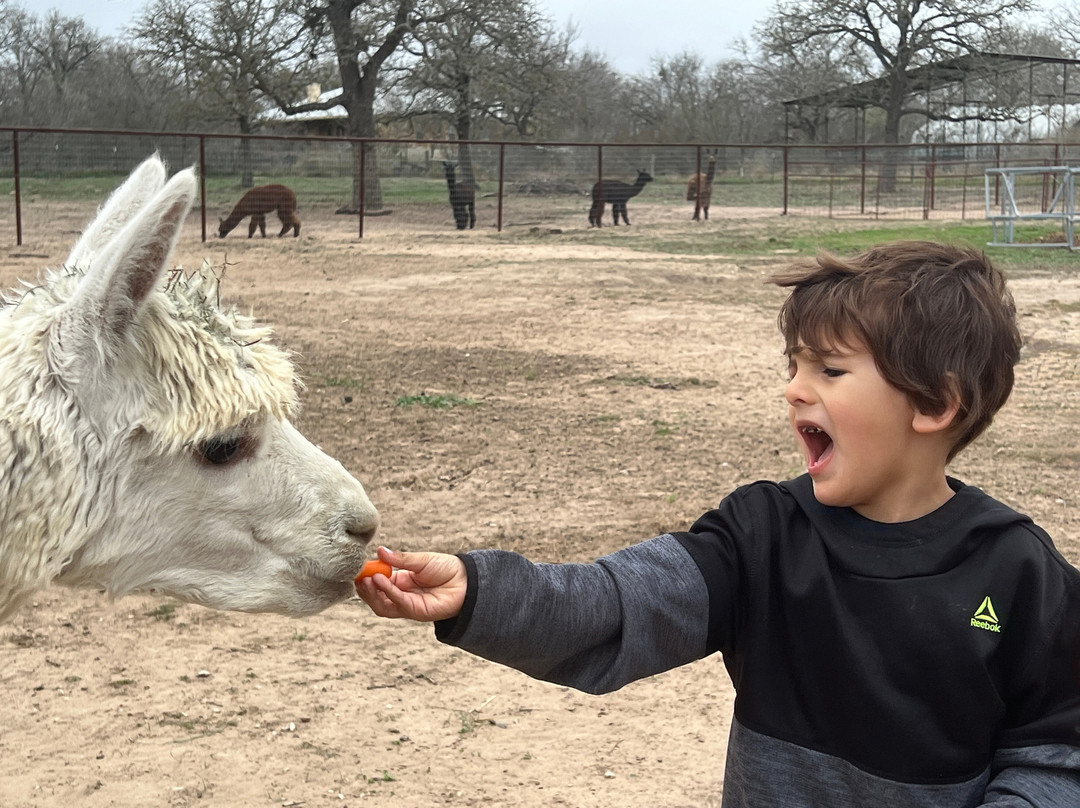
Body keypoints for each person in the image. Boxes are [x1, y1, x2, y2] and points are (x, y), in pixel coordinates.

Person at [355, 241, 1080, 807]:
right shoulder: (763, 533)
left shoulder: (1018, 571)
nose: (793, 388)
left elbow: (1058, 750)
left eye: (829, 370)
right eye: (795, 365)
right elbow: (616, 602)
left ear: (933, 405)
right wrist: (481, 592)